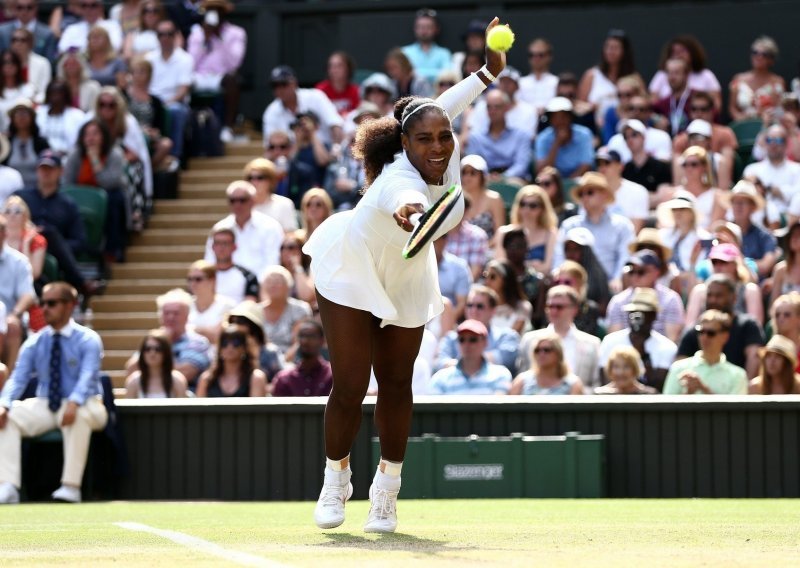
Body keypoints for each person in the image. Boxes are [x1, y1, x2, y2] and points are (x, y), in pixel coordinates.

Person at [302, 22, 504, 532]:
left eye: (445, 136)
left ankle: (386, 492)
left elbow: (450, 102)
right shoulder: (398, 177)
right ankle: (335, 479)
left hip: (409, 273)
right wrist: (416, 215)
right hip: (353, 268)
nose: (438, 146)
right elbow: (405, 202)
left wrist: (488, 70)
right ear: (404, 143)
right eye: (425, 139)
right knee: (350, 385)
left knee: (396, 384)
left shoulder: (441, 137)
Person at [0, 282, 107, 504]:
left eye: (51, 303)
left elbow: (88, 376)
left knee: (77, 415)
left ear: (70, 306)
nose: (44, 309)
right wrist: (4, 403)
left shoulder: (88, 339)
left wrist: (75, 402)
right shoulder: (35, 341)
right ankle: (8, 486)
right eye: (42, 303)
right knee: (5, 417)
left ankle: (71, 487)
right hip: (48, 404)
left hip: (88, 403)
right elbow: (17, 378)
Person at [554, 171, 635, 289]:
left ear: (604, 194)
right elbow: (559, 257)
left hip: (609, 287)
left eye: (590, 192)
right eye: (581, 194)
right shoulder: (569, 225)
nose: (585, 197)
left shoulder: (622, 225)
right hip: (573, 285)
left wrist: (617, 279)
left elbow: (625, 257)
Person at [63, 118, 128, 262]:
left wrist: (95, 160)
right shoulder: (75, 155)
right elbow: (67, 184)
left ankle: (113, 250)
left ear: (103, 136)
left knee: (115, 198)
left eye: (95, 134)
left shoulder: (114, 154)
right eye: (87, 134)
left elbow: (110, 182)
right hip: (80, 199)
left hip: (108, 197)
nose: (91, 138)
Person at [677, 274, 765, 378]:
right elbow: (679, 368)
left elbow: (754, 360)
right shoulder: (695, 330)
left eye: (719, 296)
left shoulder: (748, 326)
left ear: (734, 298)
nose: (713, 300)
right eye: (709, 295)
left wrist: (742, 389)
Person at [125, 288, 212, 389]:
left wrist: (165, 344)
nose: (170, 317)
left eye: (176, 313)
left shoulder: (198, 342)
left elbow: (186, 373)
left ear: (187, 316)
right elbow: (131, 370)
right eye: (166, 313)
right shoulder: (151, 341)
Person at [517, 285, 600, 390]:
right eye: (550, 306)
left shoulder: (592, 343)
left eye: (559, 307)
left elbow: (596, 384)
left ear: (574, 309)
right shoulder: (529, 340)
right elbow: (523, 380)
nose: (554, 311)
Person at [186, 0, 246, 142]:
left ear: (224, 13)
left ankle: (227, 127)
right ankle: (189, 129)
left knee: (232, 80)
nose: (214, 13)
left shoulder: (236, 33)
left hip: (221, 77)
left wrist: (219, 38)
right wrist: (205, 39)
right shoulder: (197, 33)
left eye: (217, 10)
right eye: (210, 10)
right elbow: (190, 63)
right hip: (199, 77)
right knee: (184, 82)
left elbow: (234, 63)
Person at [598, 287, 677, 392]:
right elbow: (606, 379)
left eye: (643, 312)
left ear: (654, 315)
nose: (637, 317)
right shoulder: (610, 341)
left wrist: (642, 354)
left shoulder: (667, 346)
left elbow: (659, 386)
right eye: (633, 312)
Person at [202, 180, 284, 278]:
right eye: (233, 200)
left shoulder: (270, 226)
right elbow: (210, 261)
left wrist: (254, 287)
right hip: (225, 287)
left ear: (253, 201)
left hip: (262, 287)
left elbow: (272, 262)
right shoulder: (219, 228)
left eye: (242, 200)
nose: (237, 204)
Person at [606, 249, 685, 343]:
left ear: (656, 272)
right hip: (626, 354)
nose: (635, 276)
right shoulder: (618, 301)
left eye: (641, 272)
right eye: (631, 272)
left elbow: (671, 340)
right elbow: (615, 340)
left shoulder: (671, 299)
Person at [664, 309, 748, 394]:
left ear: (725, 336)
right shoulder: (678, 368)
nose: (704, 337)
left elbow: (735, 408)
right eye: (701, 331)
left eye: (710, 333)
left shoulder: (738, 375)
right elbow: (666, 406)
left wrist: (703, 389)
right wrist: (688, 394)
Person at [263, 65, 344, 149]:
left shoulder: (315, 96)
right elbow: (269, 146)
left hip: (325, 151)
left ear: (294, 83)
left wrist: (336, 148)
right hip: (292, 156)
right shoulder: (271, 112)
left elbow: (336, 125)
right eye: (275, 86)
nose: (279, 89)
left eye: (284, 84)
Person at [685, 243, 764, 328]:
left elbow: (756, 327)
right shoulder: (700, 291)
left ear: (735, 264)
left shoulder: (749, 290)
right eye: (714, 262)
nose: (718, 266)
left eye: (723, 262)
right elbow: (690, 326)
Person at [145, 18, 192, 159]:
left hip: (175, 103)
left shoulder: (186, 59)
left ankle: (174, 157)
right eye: (161, 34)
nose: (165, 38)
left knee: (174, 111)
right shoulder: (148, 58)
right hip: (151, 102)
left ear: (176, 35)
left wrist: (164, 105)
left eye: (169, 34)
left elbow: (183, 91)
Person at [428, 319, 512, 395]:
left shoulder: (500, 374)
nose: (466, 344)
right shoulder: (440, 378)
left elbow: (496, 408)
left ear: (485, 342)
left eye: (473, 339)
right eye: (461, 339)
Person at [465, 89, 531, 182]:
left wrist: (503, 177)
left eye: (497, 107)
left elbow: (521, 165)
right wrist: (487, 177)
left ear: (507, 108)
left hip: (513, 181)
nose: (493, 111)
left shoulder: (521, 136)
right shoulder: (475, 137)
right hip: (484, 181)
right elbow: (472, 165)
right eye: (489, 107)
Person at [577, 29, 639, 126]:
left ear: (624, 51)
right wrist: (590, 107)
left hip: (627, 126)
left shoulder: (634, 77)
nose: (610, 51)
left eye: (615, 48)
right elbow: (579, 105)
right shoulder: (591, 75)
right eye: (608, 47)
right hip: (596, 127)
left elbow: (642, 102)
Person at [494, 184, 557, 275]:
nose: (526, 209)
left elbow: (548, 267)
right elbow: (500, 266)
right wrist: (531, 265)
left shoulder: (551, 233)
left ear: (543, 209)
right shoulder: (504, 232)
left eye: (533, 205)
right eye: (522, 204)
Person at [0, 212, 36, 371]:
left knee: (12, 326)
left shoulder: (19, 261)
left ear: (3, 234)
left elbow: (28, 295)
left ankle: (6, 382)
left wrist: (14, 314)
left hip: (9, 315)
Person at [648, 35, 722, 111]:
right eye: (674, 52)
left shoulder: (706, 75)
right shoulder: (661, 75)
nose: (678, 55)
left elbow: (716, 105)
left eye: (682, 51)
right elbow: (653, 103)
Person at [196, 325, 267, 397]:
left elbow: (256, 408)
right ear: (220, 349)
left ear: (245, 348)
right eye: (225, 343)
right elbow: (199, 407)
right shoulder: (206, 379)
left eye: (236, 343)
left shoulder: (256, 378)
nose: (230, 347)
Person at [746, 124, 800, 215]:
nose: (773, 144)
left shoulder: (797, 169)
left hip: (789, 218)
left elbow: (797, 194)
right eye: (769, 140)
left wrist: (777, 191)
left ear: (786, 144)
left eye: (778, 140)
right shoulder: (752, 169)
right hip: (758, 218)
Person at [534, 96, 594, 178]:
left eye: (564, 116)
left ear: (570, 117)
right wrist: (557, 143)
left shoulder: (584, 135)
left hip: (578, 181)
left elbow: (586, 166)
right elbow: (542, 170)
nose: (560, 121)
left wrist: (568, 185)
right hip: (553, 183)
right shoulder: (543, 138)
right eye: (555, 117)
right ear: (550, 120)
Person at [729, 36, 786, 122]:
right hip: (743, 126)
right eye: (755, 53)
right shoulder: (738, 79)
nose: (759, 57)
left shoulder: (777, 82)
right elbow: (732, 107)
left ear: (771, 59)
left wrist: (765, 114)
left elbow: (780, 109)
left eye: (764, 54)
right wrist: (740, 118)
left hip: (769, 126)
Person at [729, 180, 777, 279]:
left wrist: (738, 261)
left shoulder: (765, 236)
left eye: (743, 202)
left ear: (753, 207)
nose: (738, 206)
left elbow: (766, 265)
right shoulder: (723, 232)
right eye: (735, 202)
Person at [272, 319, 333, 397]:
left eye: (311, 336)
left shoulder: (332, 377)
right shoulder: (284, 379)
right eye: (302, 336)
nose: (305, 341)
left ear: (322, 341)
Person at [260, 265, 313, 355]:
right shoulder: (256, 311)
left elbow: (299, 342)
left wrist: (283, 363)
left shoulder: (300, 309)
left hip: (292, 361)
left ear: (288, 285)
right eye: (269, 281)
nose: (273, 285)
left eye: (277, 281)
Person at [509, 332, 583, 395]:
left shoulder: (572, 384)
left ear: (558, 353)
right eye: (537, 350)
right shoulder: (521, 381)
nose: (541, 354)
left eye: (546, 350)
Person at [596, 147, 648, 233]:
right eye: (599, 164)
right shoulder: (589, 193)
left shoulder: (638, 192)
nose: (602, 167)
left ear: (621, 166)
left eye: (607, 163)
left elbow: (634, 231)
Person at [124, 330, 188, 398]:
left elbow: (181, 408)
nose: (152, 353)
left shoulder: (177, 380)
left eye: (158, 349)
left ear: (166, 353)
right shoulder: (134, 381)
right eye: (147, 349)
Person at [619, 119, 672, 200]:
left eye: (634, 135)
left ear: (643, 137)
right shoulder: (624, 170)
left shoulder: (660, 167)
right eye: (626, 137)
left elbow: (664, 197)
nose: (630, 139)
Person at [205, 226, 259, 304]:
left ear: (234, 247)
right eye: (217, 243)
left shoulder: (248, 276)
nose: (221, 248)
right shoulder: (201, 276)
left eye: (225, 243)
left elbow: (249, 306)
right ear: (212, 247)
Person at [458, 154, 505, 241]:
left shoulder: (494, 199)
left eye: (473, 173)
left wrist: (482, 248)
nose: (467, 177)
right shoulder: (455, 199)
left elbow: (499, 233)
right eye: (464, 172)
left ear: (483, 176)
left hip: (489, 250)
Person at [186, 259, 234, 344]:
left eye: (198, 279)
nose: (193, 283)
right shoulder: (185, 304)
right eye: (190, 279)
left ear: (212, 281)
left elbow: (220, 337)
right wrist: (204, 332)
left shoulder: (227, 305)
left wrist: (192, 330)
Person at [244, 157, 297, 232]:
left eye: (260, 178)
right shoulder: (242, 205)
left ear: (270, 180)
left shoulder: (284, 204)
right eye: (250, 178)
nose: (254, 182)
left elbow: (290, 234)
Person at [5, 98, 49, 189]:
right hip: (11, 191)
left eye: (25, 113)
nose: (21, 117)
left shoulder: (41, 143)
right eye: (18, 114)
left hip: (37, 190)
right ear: (12, 119)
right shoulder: (6, 143)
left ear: (32, 118)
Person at [400, 8, 451, 85]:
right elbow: (402, 76)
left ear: (436, 29)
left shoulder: (444, 53)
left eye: (428, 27)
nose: (424, 30)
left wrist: (415, 73)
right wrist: (437, 73)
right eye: (420, 27)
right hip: (411, 96)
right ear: (415, 29)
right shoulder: (404, 52)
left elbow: (448, 76)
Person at [35, 79, 86, 154]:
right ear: (48, 95)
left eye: (59, 93)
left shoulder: (78, 116)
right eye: (53, 93)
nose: (56, 97)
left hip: (68, 157)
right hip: (42, 157)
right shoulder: (39, 113)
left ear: (66, 95)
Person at [482, 259, 532, 335]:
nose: (487, 282)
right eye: (486, 276)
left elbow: (512, 336)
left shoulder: (522, 307)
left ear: (505, 279)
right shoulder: (479, 306)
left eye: (493, 277)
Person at [58, 0, 123, 54]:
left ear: (101, 7)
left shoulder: (113, 26)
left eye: (93, 5)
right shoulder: (72, 29)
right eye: (84, 6)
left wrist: (79, 49)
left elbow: (116, 45)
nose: (88, 9)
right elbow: (62, 48)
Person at [651, 58, 694, 136]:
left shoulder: (698, 99)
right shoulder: (662, 103)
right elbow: (647, 112)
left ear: (686, 75)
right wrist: (656, 118)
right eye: (669, 73)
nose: (672, 77)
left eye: (676, 73)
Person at [433, 234, 471, 321]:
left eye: (436, 239)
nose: (432, 243)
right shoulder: (415, 266)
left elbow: (462, 304)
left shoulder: (459, 267)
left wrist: (446, 322)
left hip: (448, 322)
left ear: (445, 240)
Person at [8, 28, 50, 104]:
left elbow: (44, 91)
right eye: (14, 40)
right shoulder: (5, 63)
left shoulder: (42, 63)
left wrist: (32, 102)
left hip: (34, 104)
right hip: (8, 103)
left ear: (30, 43)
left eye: (22, 40)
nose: (18, 43)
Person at [518, 38, 558, 113]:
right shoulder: (520, 83)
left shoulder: (556, 82)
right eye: (531, 55)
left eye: (540, 55)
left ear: (549, 56)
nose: (536, 58)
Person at [315, 51, 360, 118]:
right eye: (331, 66)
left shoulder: (356, 91)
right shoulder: (320, 90)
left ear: (348, 68)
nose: (334, 70)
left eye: (339, 66)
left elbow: (358, 114)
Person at [0, 49, 35, 130]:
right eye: (5, 62)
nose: (9, 65)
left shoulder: (28, 89)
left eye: (12, 62)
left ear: (18, 65)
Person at [279, 233, 315, 305]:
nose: (285, 251)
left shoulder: (311, 270)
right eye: (282, 247)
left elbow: (306, 296)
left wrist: (297, 267)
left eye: (291, 247)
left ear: (300, 250)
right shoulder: (278, 273)